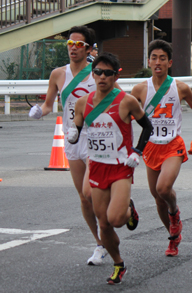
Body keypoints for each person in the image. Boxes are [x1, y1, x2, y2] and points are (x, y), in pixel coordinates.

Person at [29, 26, 111, 265]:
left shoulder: (97, 73)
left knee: (91, 191)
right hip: (72, 138)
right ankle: (99, 243)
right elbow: (48, 104)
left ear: (88, 48)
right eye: (70, 44)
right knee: (84, 198)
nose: (73, 48)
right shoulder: (58, 74)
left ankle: (119, 202)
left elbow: (114, 98)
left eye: (78, 45)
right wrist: (39, 112)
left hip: (97, 138)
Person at [68, 52, 152, 285]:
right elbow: (76, 130)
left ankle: (128, 209)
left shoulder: (126, 101)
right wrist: (73, 135)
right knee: (103, 222)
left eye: (108, 73)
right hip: (96, 167)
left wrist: (137, 151)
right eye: (98, 72)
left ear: (116, 75)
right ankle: (118, 263)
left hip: (120, 167)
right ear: (92, 74)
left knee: (115, 220)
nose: (102, 77)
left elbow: (147, 126)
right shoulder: (83, 102)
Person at [131, 40, 192, 257]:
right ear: (149, 61)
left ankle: (175, 213)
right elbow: (125, 114)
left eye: (163, 58)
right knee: (156, 195)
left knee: (163, 189)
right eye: (154, 58)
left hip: (173, 146)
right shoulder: (140, 89)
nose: (158, 62)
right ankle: (172, 236)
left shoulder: (180, 87)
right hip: (151, 147)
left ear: (169, 62)